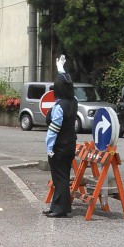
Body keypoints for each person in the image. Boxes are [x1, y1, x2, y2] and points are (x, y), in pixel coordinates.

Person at [44, 55, 78, 218]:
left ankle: (60, 210)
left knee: (60, 178)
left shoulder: (59, 107)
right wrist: (61, 69)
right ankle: (57, 207)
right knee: (62, 176)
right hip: (70, 144)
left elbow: (53, 130)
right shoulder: (73, 101)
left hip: (59, 147)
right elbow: (67, 82)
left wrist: (49, 148)